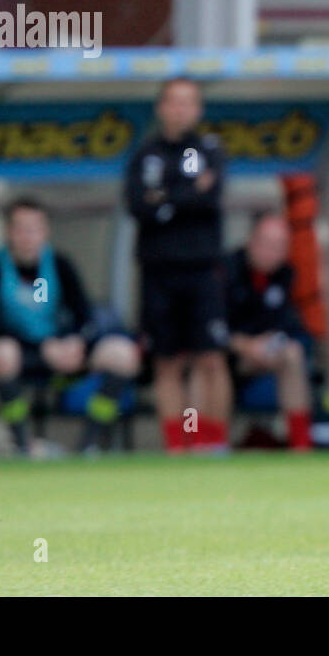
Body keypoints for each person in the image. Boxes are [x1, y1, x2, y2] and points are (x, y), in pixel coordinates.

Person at [0, 197, 139, 455]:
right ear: (8, 231)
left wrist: (75, 341)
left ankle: (89, 443)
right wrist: (42, 348)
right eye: (21, 228)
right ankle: (24, 445)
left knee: (122, 353)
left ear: (45, 231)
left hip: (64, 351)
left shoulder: (61, 264)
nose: (28, 236)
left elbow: (83, 314)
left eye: (34, 228)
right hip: (24, 353)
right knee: (2, 353)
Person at [124, 77, 231, 453]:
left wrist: (166, 201)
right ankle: (177, 444)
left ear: (198, 109)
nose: (180, 109)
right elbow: (139, 206)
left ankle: (210, 442)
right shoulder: (146, 154)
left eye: (188, 102)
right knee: (167, 361)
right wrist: (186, 195)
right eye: (173, 101)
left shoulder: (210, 150)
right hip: (158, 271)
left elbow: (211, 198)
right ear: (161, 107)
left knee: (210, 358)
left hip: (202, 270)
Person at [225, 210, 315, 451]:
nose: (270, 252)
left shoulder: (285, 276)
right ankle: (210, 445)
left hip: (260, 359)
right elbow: (211, 329)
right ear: (251, 241)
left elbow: (288, 325)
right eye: (266, 243)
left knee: (293, 353)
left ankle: (301, 446)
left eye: (278, 246)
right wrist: (245, 345)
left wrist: (269, 342)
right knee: (210, 360)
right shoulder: (225, 271)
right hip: (225, 358)